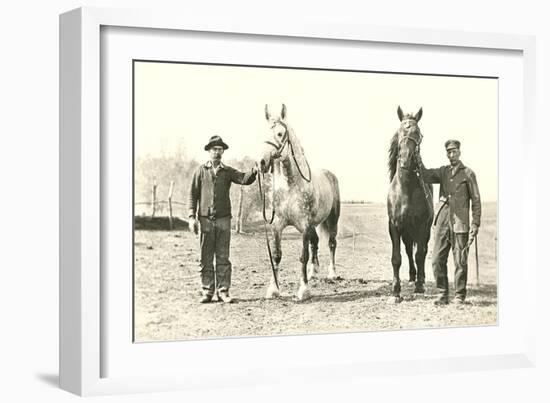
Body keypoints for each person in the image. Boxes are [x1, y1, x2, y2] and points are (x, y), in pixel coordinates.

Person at [187, 135, 257, 303]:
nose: (217, 152)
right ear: (209, 151)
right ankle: (207, 291)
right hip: (205, 220)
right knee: (205, 257)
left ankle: (223, 291)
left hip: (224, 221)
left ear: (223, 151)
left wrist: (254, 171)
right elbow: (192, 195)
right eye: (214, 149)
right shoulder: (200, 171)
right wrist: (191, 216)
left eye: (220, 149)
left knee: (223, 257)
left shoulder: (227, 171)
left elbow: (244, 178)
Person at [419, 140, 481, 305]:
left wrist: (475, 223)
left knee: (460, 261)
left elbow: (476, 200)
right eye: (449, 152)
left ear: (459, 152)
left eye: (454, 151)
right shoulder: (443, 172)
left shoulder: (468, 173)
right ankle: (442, 293)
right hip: (442, 222)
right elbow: (425, 175)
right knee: (437, 259)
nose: (451, 155)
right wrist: (416, 156)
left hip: (460, 224)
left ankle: (459, 295)